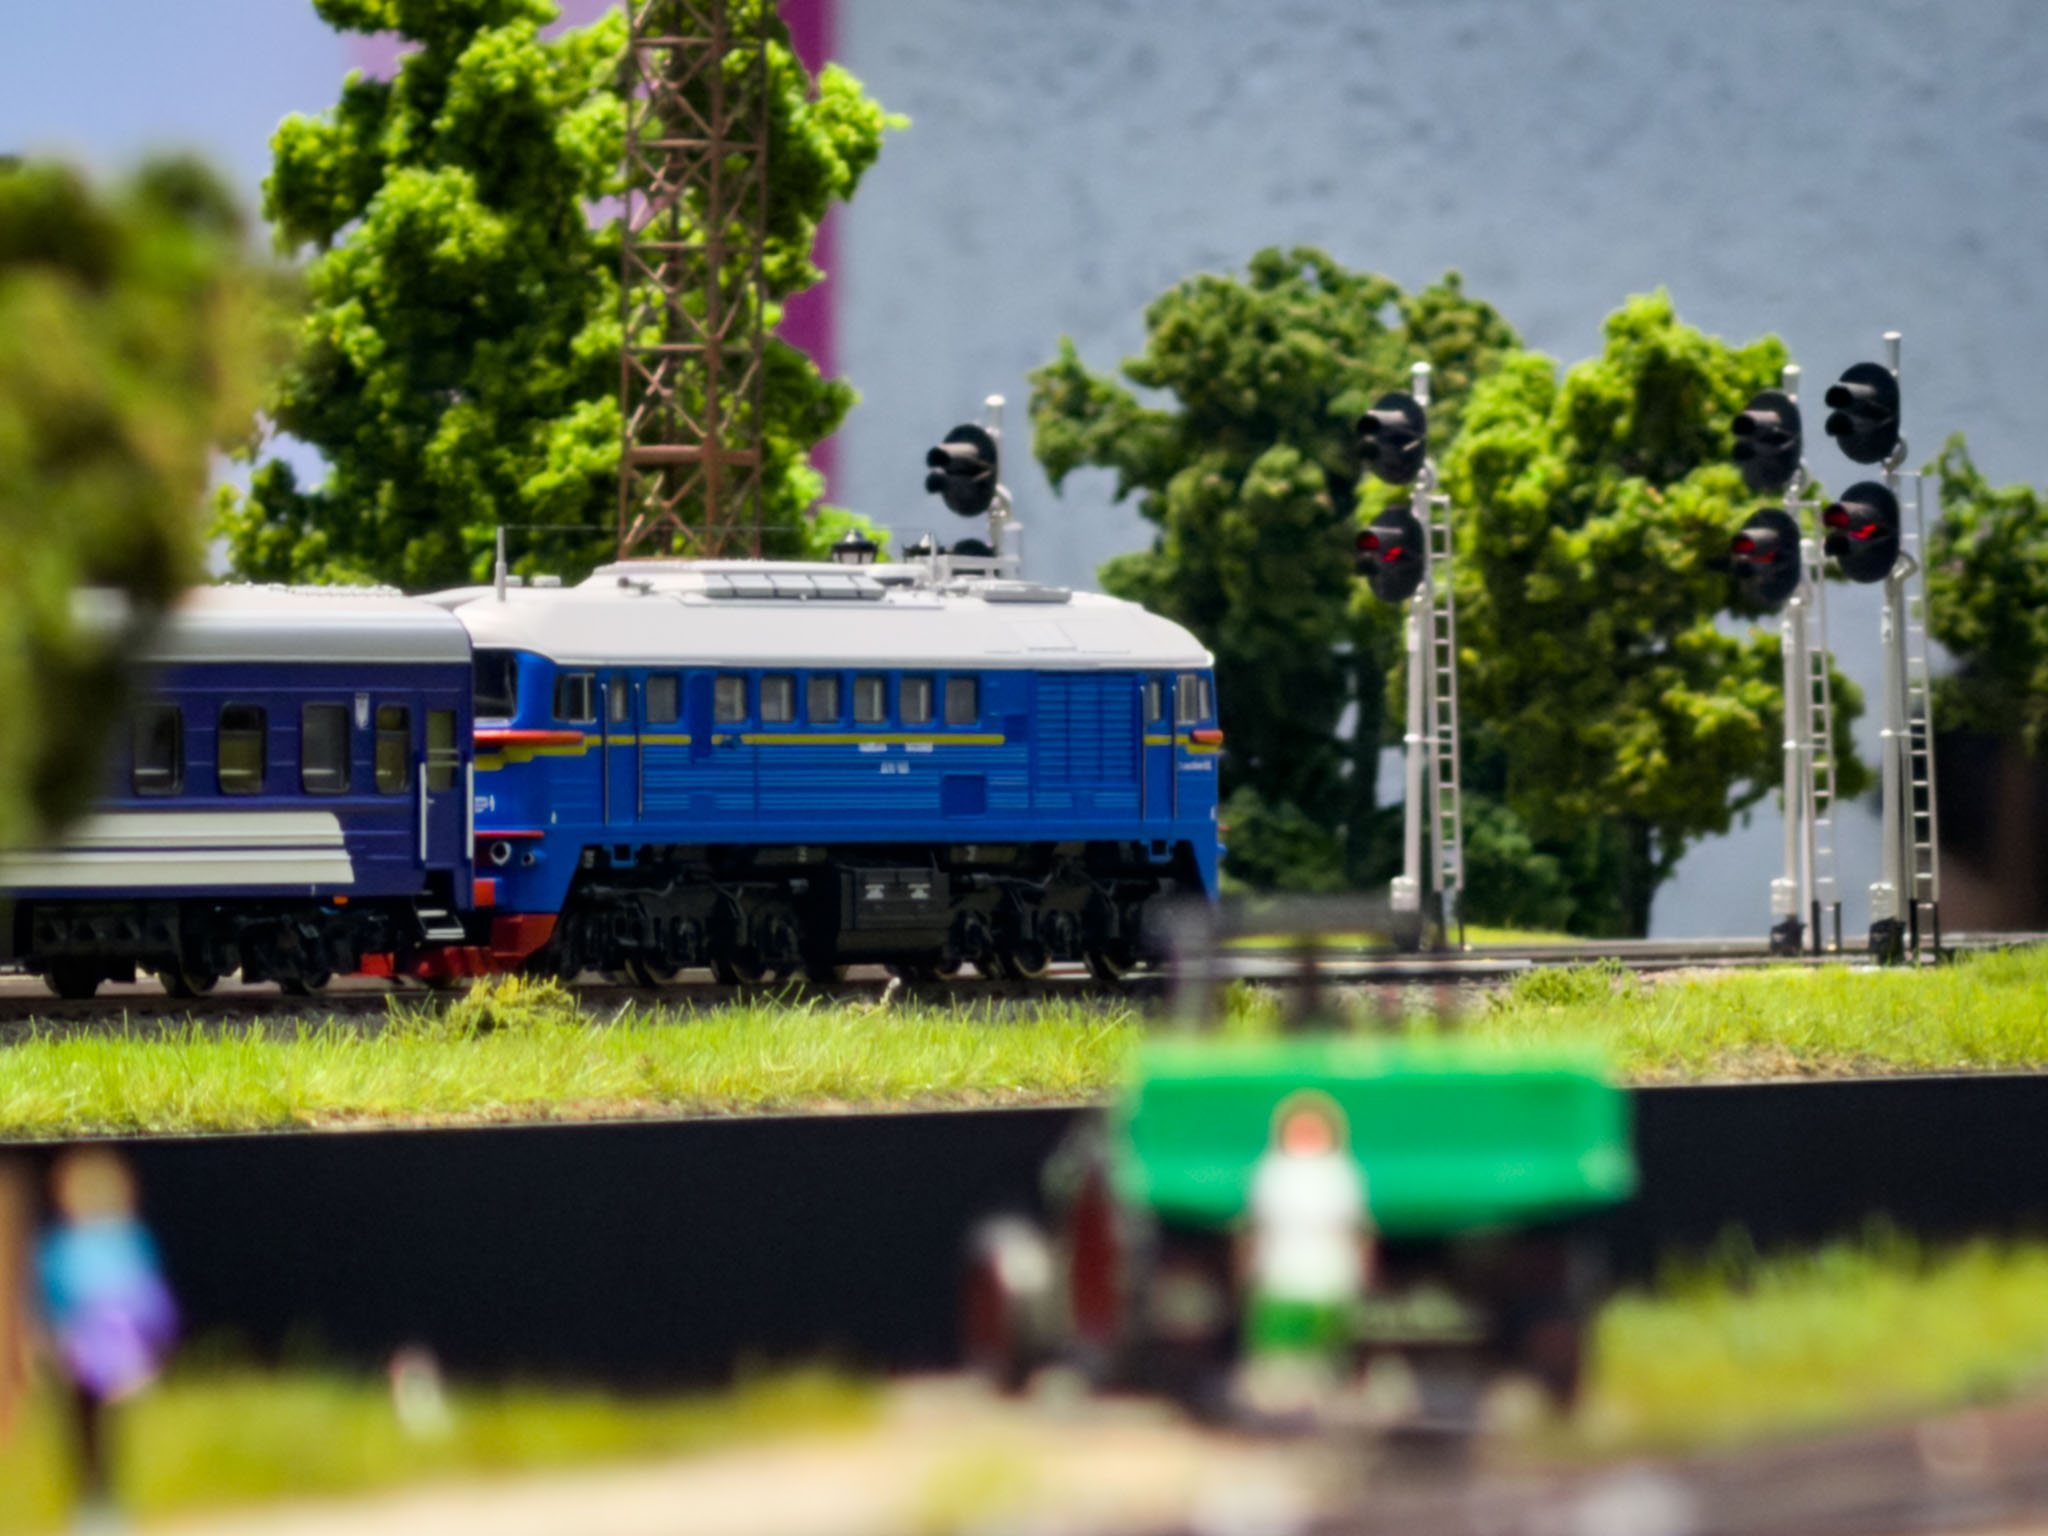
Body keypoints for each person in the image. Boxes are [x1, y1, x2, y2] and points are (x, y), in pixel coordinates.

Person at [37, 1148, 177, 1527]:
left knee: (115, 1437)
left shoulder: (129, 1240)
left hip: (121, 1358)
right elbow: (51, 1301)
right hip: (76, 1358)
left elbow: (149, 1300)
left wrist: (149, 1349)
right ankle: (89, 1507)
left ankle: (112, 1506)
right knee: (80, 1436)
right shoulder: (61, 1246)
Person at [1242, 1093, 1373, 1380]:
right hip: (1281, 1273)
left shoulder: (1340, 1172)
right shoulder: (1273, 1171)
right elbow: (1258, 1225)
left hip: (1330, 1275)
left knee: (1326, 1351)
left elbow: (1356, 1227)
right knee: (1280, 1353)